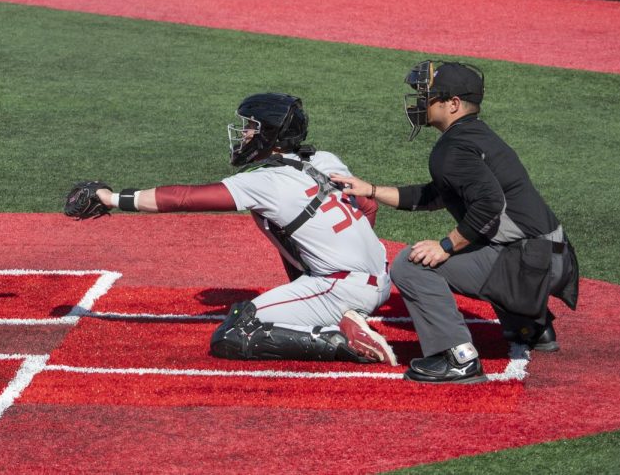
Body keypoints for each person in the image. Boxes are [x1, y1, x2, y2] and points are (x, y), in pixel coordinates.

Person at [74, 92, 395, 365]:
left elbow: (185, 198)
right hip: (381, 275)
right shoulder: (326, 159)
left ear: (270, 133)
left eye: (251, 129)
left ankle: (340, 340)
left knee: (235, 333)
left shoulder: (264, 182)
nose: (244, 135)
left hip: (341, 288)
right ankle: (338, 307)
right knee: (288, 227)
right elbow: (368, 206)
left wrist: (111, 198)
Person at [332, 62, 579, 384]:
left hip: (531, 264)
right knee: (480, 241)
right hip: (551, 257)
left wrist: (446, 246)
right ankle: (531, 326)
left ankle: (457, 357)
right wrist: (374, 191)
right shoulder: (477, 136)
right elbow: (437, 194)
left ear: (453, 104)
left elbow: (490, 205)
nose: (421, 103)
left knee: (412, 264)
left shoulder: (455, 148)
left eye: (428, 96)